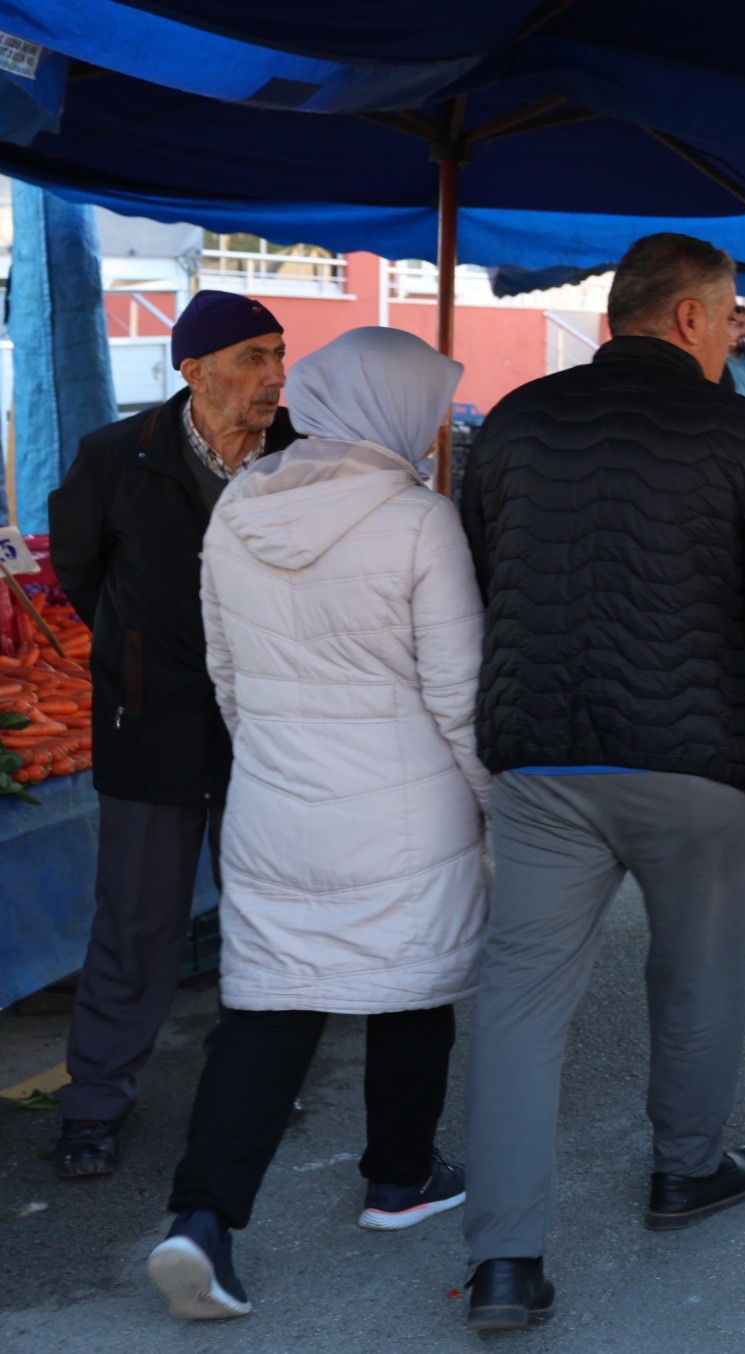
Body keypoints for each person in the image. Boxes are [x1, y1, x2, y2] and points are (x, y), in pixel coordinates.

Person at [455, 233, 745, 1331]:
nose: (735, 339)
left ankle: (504, 1265)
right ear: (684, 318)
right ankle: (686, 1170)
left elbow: (481, 574)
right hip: (698, 761)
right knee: (698, 972)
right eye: (729, 320)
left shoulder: (516, 423)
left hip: (540, 760)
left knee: (520, 1001)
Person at [148, 327, 482, 1322]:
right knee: (411, 981)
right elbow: (460, 696)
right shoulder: (421, 521)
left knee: (269, 1008)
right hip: (402, 805)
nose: (428, 434)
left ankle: (201, 1221)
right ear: (389, 413)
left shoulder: (239, 502)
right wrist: (495, 803)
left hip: (272, 801)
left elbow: (226, 674)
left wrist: (279, 758)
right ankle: (400, 1175)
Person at [44, 291, 295, 1179]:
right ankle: (95, 1102)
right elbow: (79, 572)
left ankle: (259, 1081)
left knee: (265, 913)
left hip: (269, 728)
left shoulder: (301, 458)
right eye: (253, 357)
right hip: (150, 724)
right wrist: (138, 654)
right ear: (193, 369)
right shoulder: (117, 456)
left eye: (277, 354)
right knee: (137, 920)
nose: (273, 375)